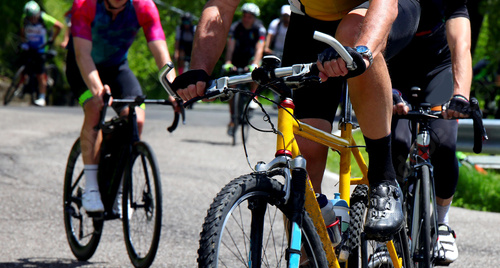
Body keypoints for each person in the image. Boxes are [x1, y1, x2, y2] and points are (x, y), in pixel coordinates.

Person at [172, 0, 420, 242]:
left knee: (351, 31)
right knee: (305, 164)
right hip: (310, 22)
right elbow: (220, 6)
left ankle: (384, 180)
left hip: (378, 11)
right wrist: (199, 70)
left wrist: (363, 52)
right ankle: (309, 267)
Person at [66, 0, 178, 213]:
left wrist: (174, 90)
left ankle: (115, 185)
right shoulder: (85, 4)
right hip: (82, 68)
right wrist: (98, 89)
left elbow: (161, 54)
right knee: (93, 107)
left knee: (136, 118)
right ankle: (91, 186)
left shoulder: (144, 7)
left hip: (117, 68)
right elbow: (82, 55)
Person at [389, 0, 473, 265]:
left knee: (443, 143)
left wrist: (460, 94)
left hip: (439, 67)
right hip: (393, 68)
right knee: (397, 143)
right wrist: (382, 91)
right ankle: (388, 233)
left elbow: (461, 44)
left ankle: (442, 223)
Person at [222, 3, 266, 136]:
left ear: (254, 18)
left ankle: (254, 96)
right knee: (231, 88)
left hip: (251, 58)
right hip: (237, 58)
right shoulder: (235, 27)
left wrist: (255, 63)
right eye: (244, 16)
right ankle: (232, 118)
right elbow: (230, 46)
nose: (246, 19)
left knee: (256, 72)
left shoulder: (260, 29)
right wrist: (228, 62)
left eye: (249, 17)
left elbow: (260, 48)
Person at [20, 1, 64, 107]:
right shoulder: (24, 18)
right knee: (23, 67)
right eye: (30, 17)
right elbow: (22, 31)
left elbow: (59, 26)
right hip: (30, 47)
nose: (32, 19)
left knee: (40, 74)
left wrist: (51, 39)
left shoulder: (45, 18)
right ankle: (22, 88)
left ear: (38, 13)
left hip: (41, 49)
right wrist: (24, 42)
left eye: (33, 17)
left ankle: (42, 97)